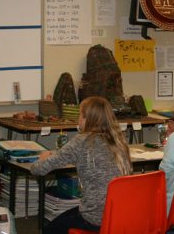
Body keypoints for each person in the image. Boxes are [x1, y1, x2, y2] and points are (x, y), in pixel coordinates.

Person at [31, 96, 132, 233]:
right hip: (123, 215)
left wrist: (42, 159)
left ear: (87, 119)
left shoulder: (82, 141)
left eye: (80, 114)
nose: (78, 118)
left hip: (95, 218)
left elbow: (39, 169)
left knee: (49, 230)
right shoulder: (119, 141)